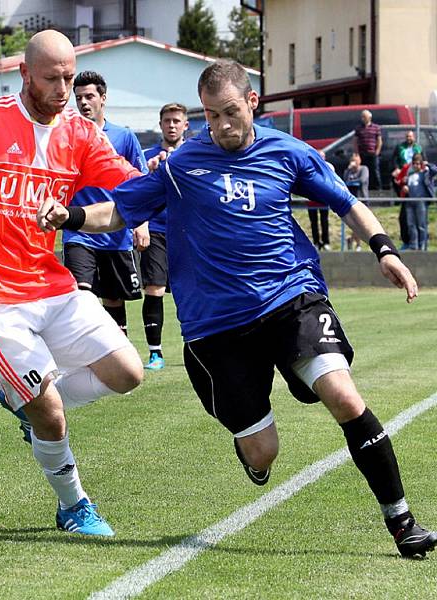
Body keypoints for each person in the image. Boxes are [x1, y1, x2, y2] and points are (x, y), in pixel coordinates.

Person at [39, 59, 436, 558]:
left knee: (346, 398)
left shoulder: (287, 152)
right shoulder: (181, 166)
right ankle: (254, 455)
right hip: (217, 328)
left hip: (291, 300)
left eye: (230, 112)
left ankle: (402, 523)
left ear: (252, 103)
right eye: (210, 116)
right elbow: (120, 208)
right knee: (263, 451)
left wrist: (385, 249)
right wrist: (69, 215)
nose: (221, 126)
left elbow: (344, 202)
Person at [0, 30, 144, 537]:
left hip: (51, 285)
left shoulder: (80, 133)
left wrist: (151, 194)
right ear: (25, 73)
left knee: (128, 372)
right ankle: (74, 505)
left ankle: (23, 400)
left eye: (70, 78)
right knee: (49, 411)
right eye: (52, 78)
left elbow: (131, 190)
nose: (63, 89)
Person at [63, 70, 148, 338]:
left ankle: (117, 349)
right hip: (78, 231)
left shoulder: (123, 137)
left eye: (89, 96)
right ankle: (86, 354)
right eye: (78, 98)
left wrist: (142, 223)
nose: (84, 103)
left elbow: (140, 184)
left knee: (113, 299)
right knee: (82, 295)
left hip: (115, 232)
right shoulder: (66, 135)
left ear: (103, 98)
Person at [140, 102, 189, 369]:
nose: (171, 125)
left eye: (176, 120)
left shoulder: (195, 155)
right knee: (154, 288)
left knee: (192, 290)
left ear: (185, 125)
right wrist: (142, 223)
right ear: (160, 124)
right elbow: (140, 192)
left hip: (189, 232)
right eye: (167, 120)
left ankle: (195, 346)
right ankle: (155, 353)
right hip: (156, 230)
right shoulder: (148, 157)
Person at [395, 153, 437, 251]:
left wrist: (427, 164)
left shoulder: (426, 173)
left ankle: (422, 246)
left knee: (421, 225)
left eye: (418, 164)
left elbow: (435, 170)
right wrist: (404, 188)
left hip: (421, 202)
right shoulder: (409, 174)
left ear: (421, 164)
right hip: (410, 201)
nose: (416, 166)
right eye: (414, 163)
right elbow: (403, 184)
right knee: (411, 225)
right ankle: (413, 245)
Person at [392, 131, 423, 249]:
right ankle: (408, 242)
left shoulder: (423, 168)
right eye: (407, 136)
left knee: (420, 222)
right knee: (405, 219)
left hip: (419, 196)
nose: (415, 165)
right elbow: (398, 179)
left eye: (417, 163)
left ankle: (421, 244)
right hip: (407, 196)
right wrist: (399, 179)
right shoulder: (405, 166)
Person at [306, 150, 334, 251]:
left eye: (323, 156)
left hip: (323, 198)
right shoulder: (309, 166)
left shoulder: (329, 167)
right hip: (311, 198)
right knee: (313, 222)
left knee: (324, 221)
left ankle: (326, 242)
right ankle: (316, 242)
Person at [343, 153, 370, 251]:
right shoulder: (348, 171)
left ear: (360, 161)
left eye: (356, 160)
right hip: (352, 201)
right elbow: (344, 182)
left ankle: (351, 240)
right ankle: (358, 244)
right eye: (352, 160)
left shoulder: (364, 169)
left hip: (362, 199)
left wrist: (353, 180)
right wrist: (349, 170)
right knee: (356, 224)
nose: (354, 162)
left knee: (362, 224)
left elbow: (362, 180)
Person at [353, 109, 383, 190]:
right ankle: (367, 188)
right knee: (364, 171)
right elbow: (355, 141)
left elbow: (379, 141)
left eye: (364, 117)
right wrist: (357, 154)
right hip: (363, 153)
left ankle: (378, 189)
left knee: (375, 171)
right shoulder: (359, 128)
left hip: (373, 153)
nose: (362, 118)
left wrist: (377, 152)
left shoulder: (376, 127)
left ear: (369, 117)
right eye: (362, 117)